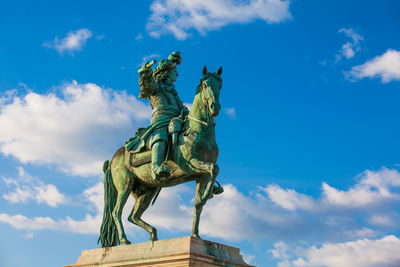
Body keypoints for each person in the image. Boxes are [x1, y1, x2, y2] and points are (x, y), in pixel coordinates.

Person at [138, 51, 188, 180]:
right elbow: (147, 85)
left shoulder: (172, 90)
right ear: (166, 72)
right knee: (160, 135)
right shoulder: (156, 86)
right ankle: (156, 166)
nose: (177, 74)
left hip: (177, 118)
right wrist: (146, 73)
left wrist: (185, 112)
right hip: (161, 119)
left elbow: (181, 106)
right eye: (174, 71)